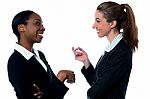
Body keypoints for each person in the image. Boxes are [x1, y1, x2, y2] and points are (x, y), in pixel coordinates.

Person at [72, 1, 138, 99]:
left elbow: (96, 92)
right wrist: (86, 61)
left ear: (112, 23)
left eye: (98, 21)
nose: (94, 25)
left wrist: (90, 93)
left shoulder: (121, 52)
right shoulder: (112, 49)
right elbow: (97, 82)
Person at [7, 10, 75, 99]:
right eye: (37, 24)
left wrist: (46, 92)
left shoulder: (39, 55)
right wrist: (61, 76)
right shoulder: (16, 62)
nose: (43, 28)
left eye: (42, 24)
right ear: (21, 28)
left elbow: (52, 87)